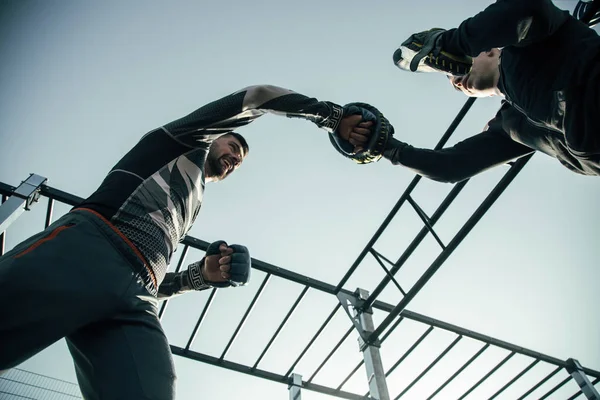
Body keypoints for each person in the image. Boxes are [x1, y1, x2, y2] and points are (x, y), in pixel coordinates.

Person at [0, 84, 373, 399]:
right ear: (216, 136)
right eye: (233, 147)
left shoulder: (192, 206)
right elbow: (257, 96)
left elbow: (152, 281)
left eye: (240, 161)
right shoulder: (181, 140)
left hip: (136, 295)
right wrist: (332, 116)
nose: (234, 159)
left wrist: (201, 277)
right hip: (89, 245)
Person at [385, 0, 600, 182]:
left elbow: (527, 7)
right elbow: (452, 166)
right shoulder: (510, 125)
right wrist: (390, 149)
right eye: (450, 78)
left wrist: (455, 43)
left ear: (490, 50)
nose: (453, 80)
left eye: (450, 70)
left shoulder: (529, 42)